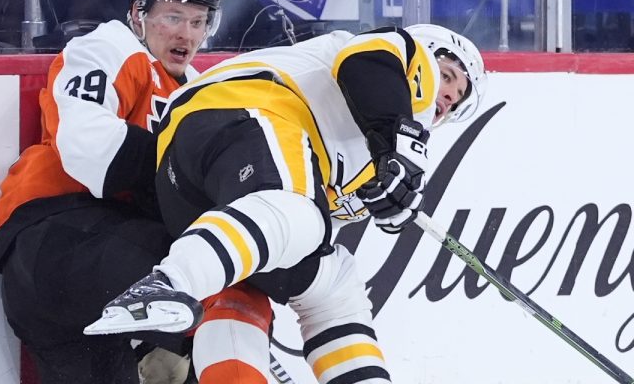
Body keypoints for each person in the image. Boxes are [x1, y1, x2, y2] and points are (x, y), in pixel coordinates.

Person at [84, 23, 488, 383]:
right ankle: (168, 284)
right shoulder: (397, 52)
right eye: (448, 76)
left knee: (331, 287)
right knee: (300, 214)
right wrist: (398, 148)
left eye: (454, 101)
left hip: (193, 192)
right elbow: (367, 65)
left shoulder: (367, 162)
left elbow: (300, 240)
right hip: (242, 111)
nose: (447, 94)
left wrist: (386, 183)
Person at [0, 0, 274, 383]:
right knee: (228, 280)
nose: (187, 34)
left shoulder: (196, 88)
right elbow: (88, 149)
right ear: (139, 14)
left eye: (199, 23)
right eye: (174, 17)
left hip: (94, 272)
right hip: (55, 234)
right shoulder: (108, 47)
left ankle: (169, 355)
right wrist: (190, 184)